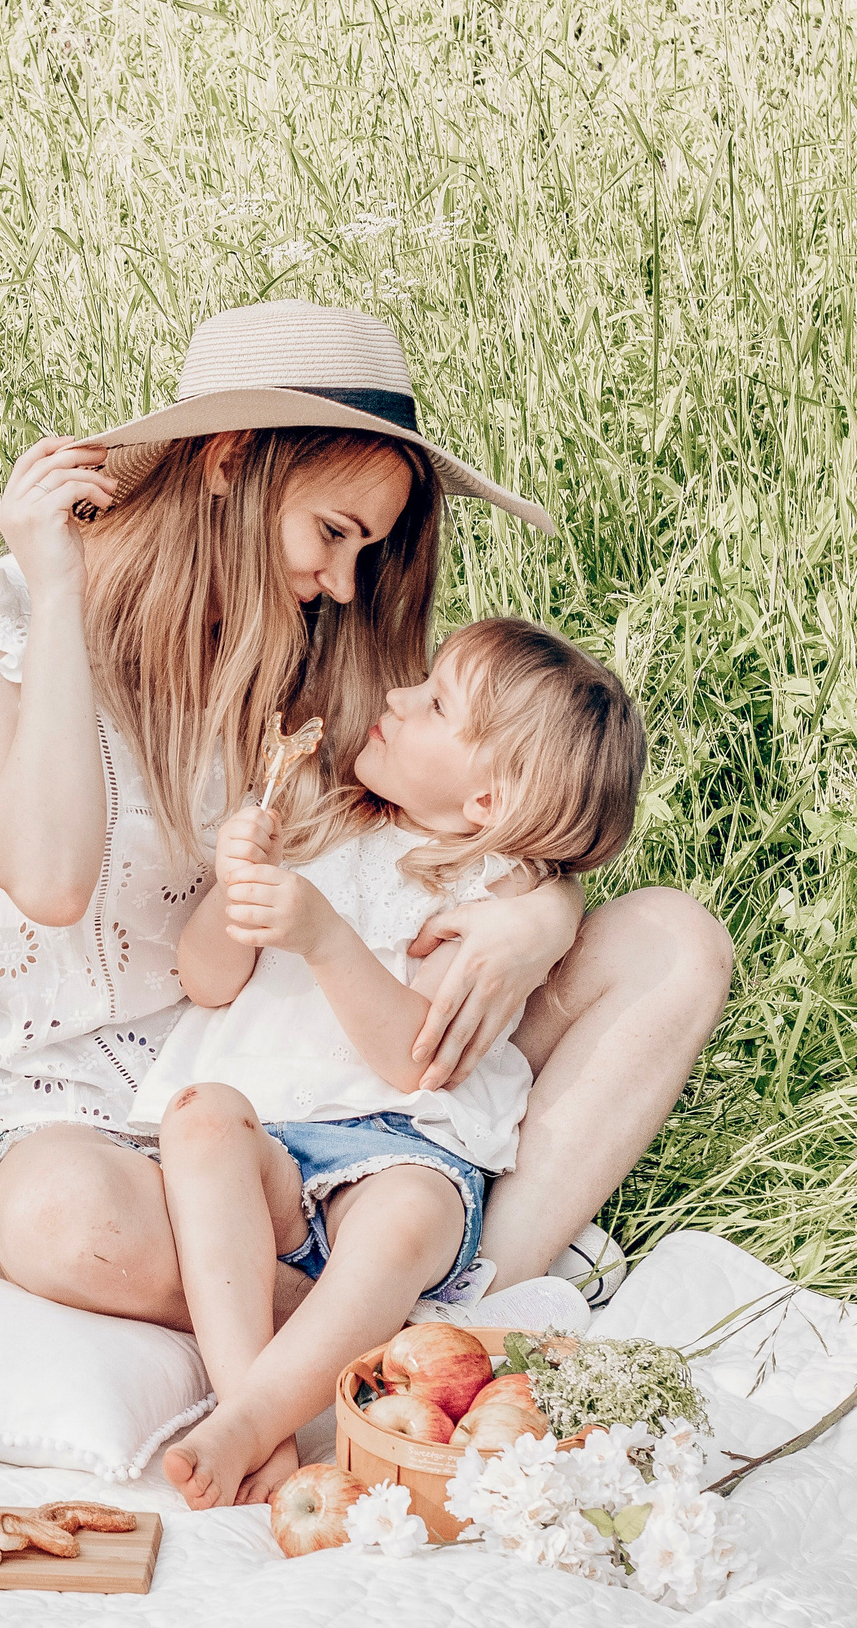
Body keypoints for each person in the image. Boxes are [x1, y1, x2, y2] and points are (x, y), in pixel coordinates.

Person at [0, 299, 733, 1506]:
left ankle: (448, 1284)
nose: (343, 578)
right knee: (61, 1220)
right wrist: (57, 593)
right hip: (85, 1118)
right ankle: (386, 1333)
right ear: (229, 462)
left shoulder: (309, 650)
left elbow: (472, 812)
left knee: (675, 942)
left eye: (366, 548)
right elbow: (49, 873)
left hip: (313, 1074)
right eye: (331, 530)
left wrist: (540, 921)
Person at [125, 617, 645, 1508]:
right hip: (278, 1144)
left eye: (435, 703)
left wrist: (325, 938)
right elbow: (206, 982)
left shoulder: (492, 896)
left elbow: (415, 1060)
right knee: (200, 1117)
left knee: (403, 1217)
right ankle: (258, 1409)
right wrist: (231, 889)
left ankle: (245, 1421)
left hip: (403, 1147)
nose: (397, 701)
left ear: (486, 803)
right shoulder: (320, 819)